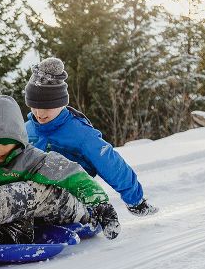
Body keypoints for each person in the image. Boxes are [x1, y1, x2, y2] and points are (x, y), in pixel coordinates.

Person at [0, 94, 121, 241]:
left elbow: (71, 174)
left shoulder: (32, 158)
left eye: (5, 143)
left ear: (18, 140)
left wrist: (101, 206)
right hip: (14, 218)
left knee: (34, 189)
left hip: (62, 209)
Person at [24, 57, 158, 216]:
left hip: (72, 197)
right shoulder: (26, 130)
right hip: (32, 196)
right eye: (34, 107)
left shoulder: (80, 133)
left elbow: (111, 164)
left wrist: (135, 200)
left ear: (61, 103)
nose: (39, 114)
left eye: (47, 107)